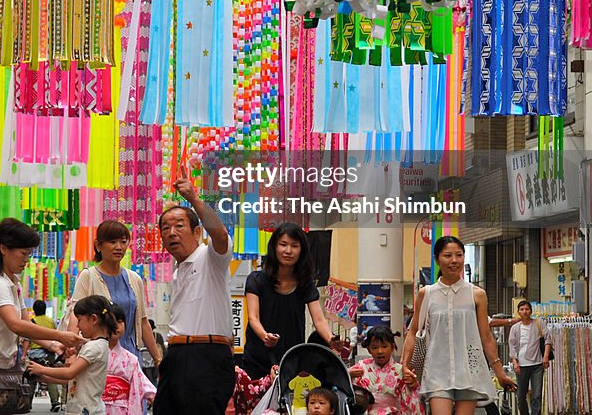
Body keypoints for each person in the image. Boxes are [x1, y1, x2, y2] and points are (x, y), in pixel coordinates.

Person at [0, 218, 82, 415]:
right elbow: (15, 325)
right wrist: (60, 336)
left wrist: (52, 346)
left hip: (0, 369)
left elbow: (25, 324)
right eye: (23, 253)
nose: (26, 260)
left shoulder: (13, 284)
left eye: (29, 254)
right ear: (4, 248)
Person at [402, 236, 516, 415]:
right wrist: (404, 365)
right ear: (437, 259)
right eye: (448, 255)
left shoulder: (477, 294)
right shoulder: (427, 294)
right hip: (437, 370)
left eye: (459, 255)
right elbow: (413, 331)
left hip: (469, 371)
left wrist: (500, 372)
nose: (454, 260)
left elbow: (486, 337)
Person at [153, 176, 235, 415]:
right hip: (177, 355)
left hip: (207, 355)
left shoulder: (210, 258)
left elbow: (219, 235)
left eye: (179, 226)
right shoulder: (178, 269)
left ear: (197, 231)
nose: (172, 233)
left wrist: (195, 199)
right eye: (166, 228)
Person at [242, 222, 339, 379]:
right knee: (258, 402)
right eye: (283, 244)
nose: (288, 251)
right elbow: (253, 317)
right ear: (274, 247)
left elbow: (319, 320)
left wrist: (331, 339)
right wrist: (265, 336)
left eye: (294, 246)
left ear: (302, 250)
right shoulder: (256, 279)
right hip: (258, 357)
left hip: (292, 357)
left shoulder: (306, 284)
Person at [69, 221, 164, 369]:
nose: (119, 247)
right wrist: (72, 353)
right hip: (99, 358)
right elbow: (76, 317)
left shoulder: (135, 279)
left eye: (123, 242)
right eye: (112, 242)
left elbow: (143, 322)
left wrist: (158, 359)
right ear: (98, 245)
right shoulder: (88, 277)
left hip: (130, 357)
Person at [28, 295, 114, 415]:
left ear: (93, 319)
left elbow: (69, 373)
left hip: (86, 411)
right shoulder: (97, 345)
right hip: (84, 409)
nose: (77, 326)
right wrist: (44, 377)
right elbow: (73, 380)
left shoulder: (94, 347)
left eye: (79, 320)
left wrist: (42, 369)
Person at [347, 325, 423, 414]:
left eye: (384, 346)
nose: (380, 351)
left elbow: (410, 396)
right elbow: (343, 379)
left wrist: (412, 384)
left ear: (392, 347)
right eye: (374, 347)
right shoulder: (362, 366)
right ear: (369, 349)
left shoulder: (400, 370)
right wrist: (348, 374)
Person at [102, 305, 156, 415]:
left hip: (121, 409)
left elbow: (142, 384)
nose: (116, 326)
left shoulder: (130, 359)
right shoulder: (92, 354)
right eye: (112, 321)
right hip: (97, 407)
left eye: (120, 321)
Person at [508, 300, 551, 415]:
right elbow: (512, 346)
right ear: (518, 312)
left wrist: (545, 356)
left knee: (536, 395)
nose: (524, 312)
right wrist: (515, 362)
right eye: (522, 309)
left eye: (527, 309)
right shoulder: (515, 328)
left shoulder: (539, 323)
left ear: (531, 311)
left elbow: (548, 340)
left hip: (537, 364)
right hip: (521, 365)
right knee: (521, 396)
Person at [27, 300, 63, 412]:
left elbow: (27, 339)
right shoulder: (51, 321)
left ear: (34, 310)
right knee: (51, 377)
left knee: (31, 378)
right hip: (49, 353)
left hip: (35, 354)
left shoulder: (32, 321)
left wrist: (24, 354)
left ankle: (27, 403)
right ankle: (55, 402)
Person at [140, 319, 165, 386]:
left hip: (144, 363)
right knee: (154, 380)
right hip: (155, 362)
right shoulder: (158, 336)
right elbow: (163, 349)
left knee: (146, 381)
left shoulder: (141, 336)